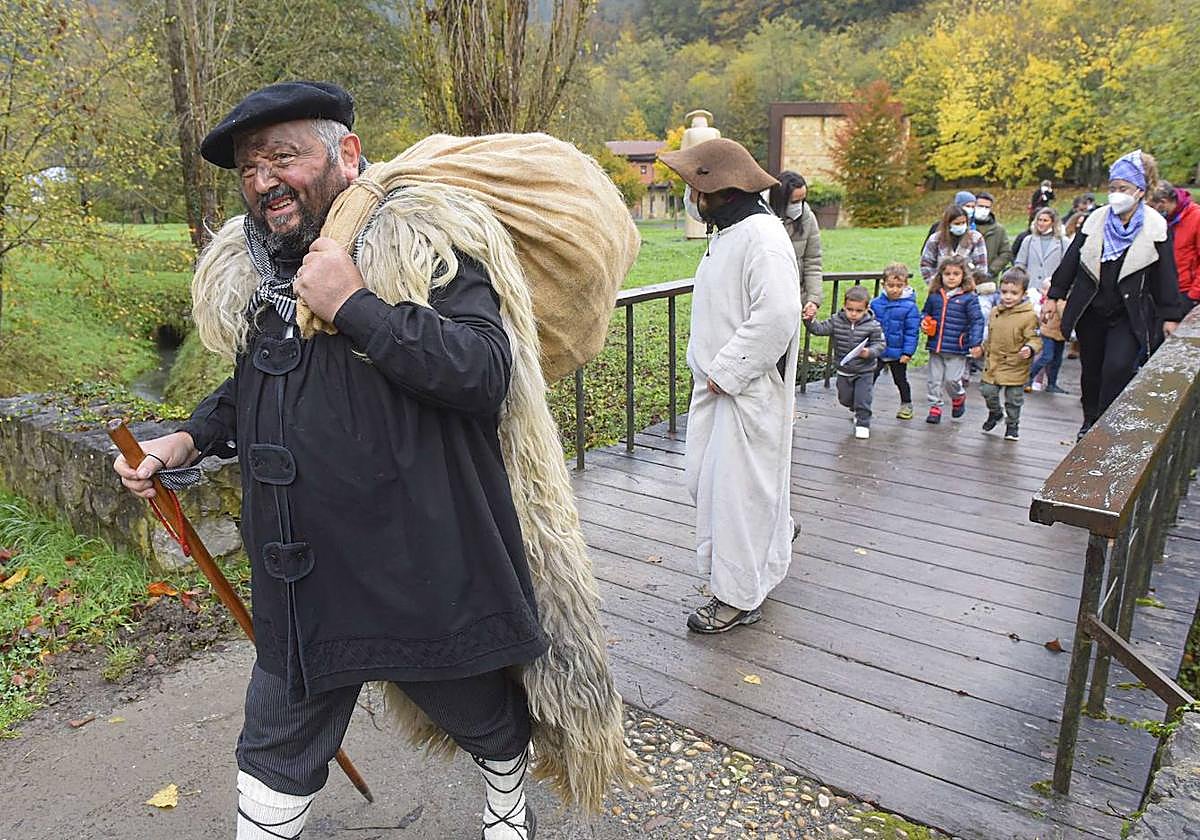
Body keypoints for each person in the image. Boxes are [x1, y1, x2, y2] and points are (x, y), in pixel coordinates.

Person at [112, 81, 630, 840]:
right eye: (249, 169)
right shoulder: (265, 267)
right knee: (273, 746)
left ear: (346, 155)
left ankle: (506, 802)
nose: (263, 182)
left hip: (416, 562)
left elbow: (485, 373)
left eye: (283, 157)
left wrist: (354, 304)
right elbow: (260, 380)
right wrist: (187, 439)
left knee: (478, 714)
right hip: (300, 571)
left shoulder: (423, 243)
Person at [657, 138, 801, 634]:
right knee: (712, 485)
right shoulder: (733, 233)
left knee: (736, 500)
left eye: (694, 189)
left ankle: (737, 598)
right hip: (720, 388)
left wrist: (729, 371)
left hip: (744, 393)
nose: (690, 198)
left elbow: (778, 313)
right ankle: (772, 542)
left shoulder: (762, 238)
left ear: (720, 191)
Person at [1047, 150, 1187, 440]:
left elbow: (1166, 274)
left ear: (1139, 190)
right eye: (1112, 187)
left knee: (1118, 366)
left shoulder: (1154, 226)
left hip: (1128, 313)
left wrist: (1171, 315)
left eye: (1123, 188)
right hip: (1092, 309)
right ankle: (1089, 418)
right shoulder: (1096, 220)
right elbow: (1071, 260)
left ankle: (1104, 424)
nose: (1116, 194)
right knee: (1092, 370)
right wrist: (1054, 295)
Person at [804, 285, 886, 438]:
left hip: (865, 370)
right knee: (845, 399)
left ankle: (863, 423)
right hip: (844, 370)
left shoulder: (872, 325)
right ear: (844, 306)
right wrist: (809, 321)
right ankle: (856, 409)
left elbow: (880, 344)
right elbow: (819, 329)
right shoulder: (837, 321)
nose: (853, 314)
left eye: (859, 311)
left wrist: (869, 352)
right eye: (850, 309)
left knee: (863, 398)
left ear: (867, 308)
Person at [920, 254, 984, 424]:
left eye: (956, 274)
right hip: (936, 345)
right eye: (947, 274)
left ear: (963, 276)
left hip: (957, 347)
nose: (951, 277)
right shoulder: (935, 295)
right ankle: (935, 407)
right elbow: (925, 312)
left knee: (952, 380)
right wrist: (924, 321)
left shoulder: (969, 298)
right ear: (940, 275)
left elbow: (977, 321)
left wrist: (975, 343)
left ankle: (958, 397)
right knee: (934, 380)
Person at [980, 268, 1042, 441]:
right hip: (994, 362)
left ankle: (1012, 425)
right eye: (1004, 292)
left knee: (1014, 399)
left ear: (1023, 293)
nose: (1008, 297)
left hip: (1016, 364)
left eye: (1014, 293)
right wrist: (982, 348)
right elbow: (990, 335)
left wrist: (1029, 348)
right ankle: (995, 412)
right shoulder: (995, 312)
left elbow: (1035, 339)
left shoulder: (1029, 316)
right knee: (987, 390)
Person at [871, 264, 921, 420]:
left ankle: (906, 404)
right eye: (891, 285)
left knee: (900, 379)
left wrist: (907, 352)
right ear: (883, 285)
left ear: (905, 285)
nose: (894, 289)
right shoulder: (875, 304)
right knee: (869, 378)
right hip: (877, 350)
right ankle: (862, 404)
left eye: (899, 286)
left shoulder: (910, 307)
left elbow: (911, 332)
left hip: (898, 352)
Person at [770, 170, 823, 319]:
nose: (798, 206)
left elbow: (813, 261)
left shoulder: (808, 219)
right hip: (767, 294)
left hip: (794, 296)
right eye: (794, 202)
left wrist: (813, 299)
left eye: (802, 200)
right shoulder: (763, 219)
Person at [1148, 181, 1200, 308]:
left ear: (1163, 202)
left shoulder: (1196, 217)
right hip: (1162, 290)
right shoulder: (1162, 221)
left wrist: (1194, 295)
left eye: (1152, 207)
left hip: (1186, 292)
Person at [920, 204, 989, 283]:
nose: (961, 226)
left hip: (969, 286)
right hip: (941, 286)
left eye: (963, 223)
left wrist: (970, 284)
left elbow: (981, 267)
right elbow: (926, 264)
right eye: (957, 224)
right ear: (948, 224)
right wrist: (935, 283)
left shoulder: (976, 238)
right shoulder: (935, 239)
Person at [1027, 276, 1068, 394]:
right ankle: (1028, 378)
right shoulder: (1054, 301)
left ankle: (1052, 384)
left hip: (1060, 334)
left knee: (1057, 360)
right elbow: (1063, 314)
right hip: (1048, 333)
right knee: (1047, 356)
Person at [1015, 207, 1069, 292]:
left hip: (1051, 290)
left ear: (1053, 223)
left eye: (1045, 220)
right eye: (1039, 220)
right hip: (1030, 289)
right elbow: (1020, 264)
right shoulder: (1028, 240)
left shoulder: (1063, 242)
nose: (1041, 223)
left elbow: (1066, 267)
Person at [973, 191, 1013, 277]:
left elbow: (1006, 253)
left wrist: (991, 271)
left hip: (988, 278)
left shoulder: (999, 230)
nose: (983, 210)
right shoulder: (966, 227)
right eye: (980, 206)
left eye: (987, 207)